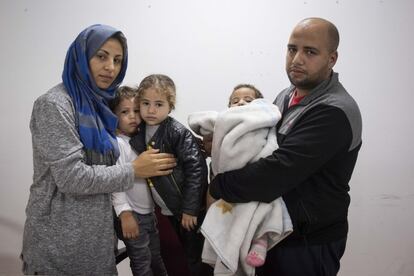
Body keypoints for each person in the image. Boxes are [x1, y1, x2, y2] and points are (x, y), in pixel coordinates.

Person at [208, 17, 362, 276]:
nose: (297, 59)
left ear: (332, 59)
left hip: (309, 243)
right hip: (276, 234)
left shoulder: (334, 111)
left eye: (310, 51)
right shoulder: (286, 95)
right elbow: (261, 146)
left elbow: (276, 172)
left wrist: (218, 185)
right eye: (292, 49)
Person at [21, 24, 176, 275]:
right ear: (81, 56)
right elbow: (72, 178)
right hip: (58, 247)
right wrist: (133, 170)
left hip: (98, 244)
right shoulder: (55, 105)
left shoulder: (102, 104)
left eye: (117, 60)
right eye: (101, 56)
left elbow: (140, 133)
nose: (111, 68)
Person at [189, 85, 292, 276]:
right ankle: (229, 252)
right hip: (229, 187)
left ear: (260, 105)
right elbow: (201, 122)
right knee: (225, 216)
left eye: (247, 100)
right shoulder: (224, 123)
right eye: (235, 101)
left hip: (253, 180)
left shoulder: (265, 121)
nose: (241, 103)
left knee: (269, 206)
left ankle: (260, 242)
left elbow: (271, 146)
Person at [129, 74, 208, 276]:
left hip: (185, 209)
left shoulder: (176, 132)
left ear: (170, 107)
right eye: (146, 103)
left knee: (195, 256)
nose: (151, 110)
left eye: (158, 104)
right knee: (176, 253)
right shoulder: (138, 131)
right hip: (165, 209)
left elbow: (196, 169)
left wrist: (190, 209)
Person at [110, 86, 167, 276]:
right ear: (114, 116)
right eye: (125, 112)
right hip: (132, 216)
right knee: (142, 263)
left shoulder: (140, 140)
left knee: (156, 258)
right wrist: (125, 214)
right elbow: (116, 182)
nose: (133, 116)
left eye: (136, 111)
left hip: (148, 214)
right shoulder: (117, 143)